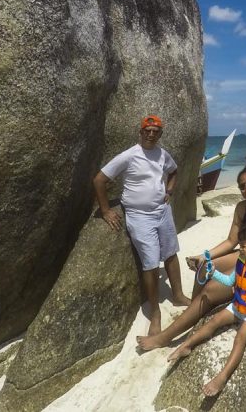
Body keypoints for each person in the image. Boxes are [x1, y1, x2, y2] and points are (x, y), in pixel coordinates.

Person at [137, 165, 246, 350]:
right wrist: (203, 256)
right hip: (244, 256)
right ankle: (194, 311)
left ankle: (164, 338)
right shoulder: (241, 208)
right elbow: (231, 241)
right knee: (204, 266)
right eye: (242, 186)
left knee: (211, 289)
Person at [94, 115, 192, 337]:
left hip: (162, 212)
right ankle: (155, 313)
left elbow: (174, 171)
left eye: (155, 131)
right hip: (139, 216)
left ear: (160, 134)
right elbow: (99, 180)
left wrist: (169, 191)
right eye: (147, 130)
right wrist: (106, 210)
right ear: (140, 132)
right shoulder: (129, 156)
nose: (151, 134)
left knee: (170, 253)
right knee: (149, 263)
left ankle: (177, 295)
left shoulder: (162, 154)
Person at [166, 224, 246, 396]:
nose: (240, 249)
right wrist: (213, 273)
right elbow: (229, 281)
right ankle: (186, 346)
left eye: (243, 246)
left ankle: (222, 377)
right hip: (238, 306)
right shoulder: (242, 262)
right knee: (215, 320)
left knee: (240, 338)